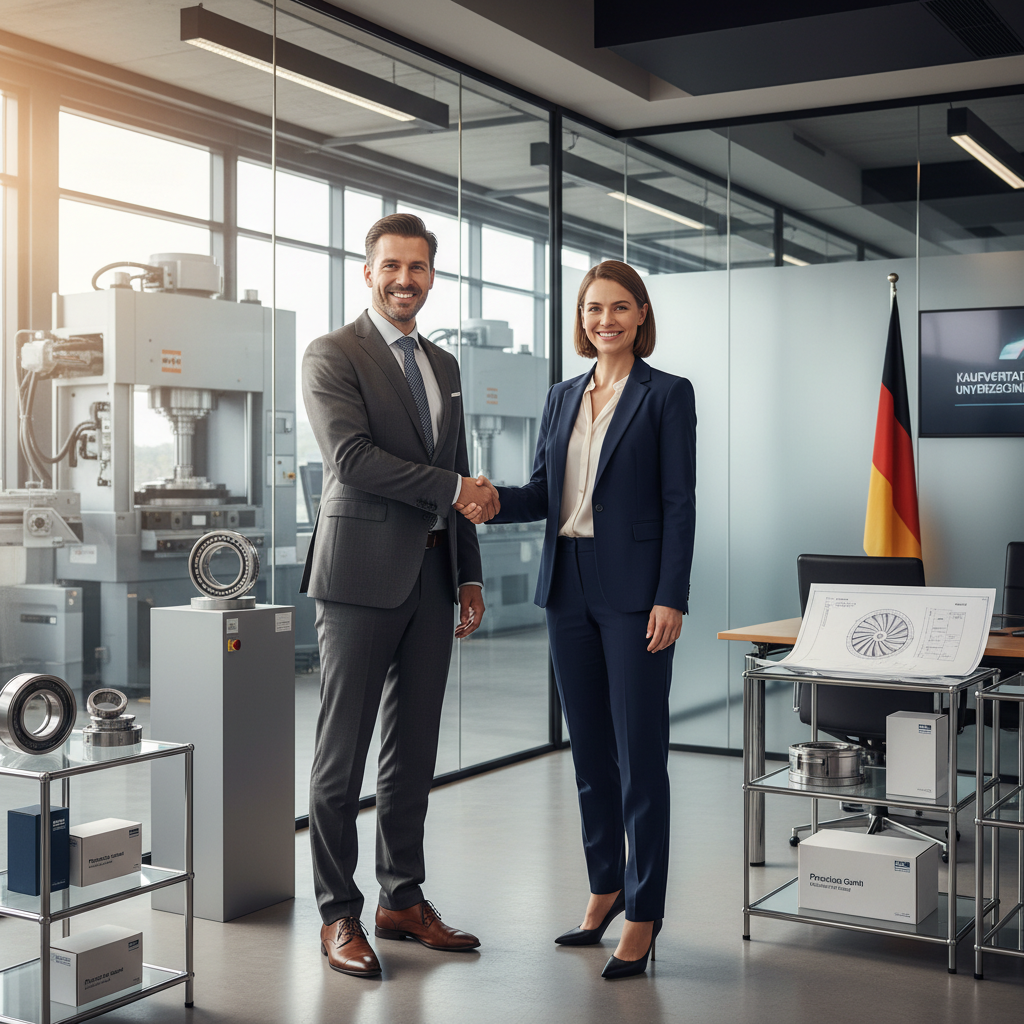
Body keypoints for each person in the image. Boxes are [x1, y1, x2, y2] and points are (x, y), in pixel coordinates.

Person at [457, 260, 696, 980]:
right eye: (594, 309)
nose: (605, 321)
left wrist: (671, 596)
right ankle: (605, 888)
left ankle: (646, 911)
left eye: (620, 308)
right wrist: (494, 499)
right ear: (581, 319)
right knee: (590, 754)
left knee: (640, 755)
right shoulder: (562, 396)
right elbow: (544, 491)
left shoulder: (666, 395)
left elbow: (680, 503)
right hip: (567, 587)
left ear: (642, 316)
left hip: (634, 594)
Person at [300, 213, 500, 979]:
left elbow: (461, 470)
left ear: (431, 276)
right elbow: (351, 460)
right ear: (368, 271)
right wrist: (457, 488)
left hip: (432, 579)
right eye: (391, 266)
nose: (404, 280)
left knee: (412, 752)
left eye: (417, 267)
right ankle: (336, 913)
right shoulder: (333, 354)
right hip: (357, 578)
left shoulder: (443, 364)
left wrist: (470, 571)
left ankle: (401, 900)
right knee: (339, 757)